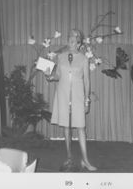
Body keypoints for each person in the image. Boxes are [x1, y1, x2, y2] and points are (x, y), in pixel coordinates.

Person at [44, 29, 97, 171]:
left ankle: (85, 160)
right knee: (66, 127)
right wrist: (49, 75)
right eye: (69, 40)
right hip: (63, 94)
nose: (70, 42)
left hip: (78, 96)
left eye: (73, 40)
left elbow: (86, 81)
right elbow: (57, 75)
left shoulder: (84, 58)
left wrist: (87, 101)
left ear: (79, 44)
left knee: (81, 127)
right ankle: (69, 158)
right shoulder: (60, 57)